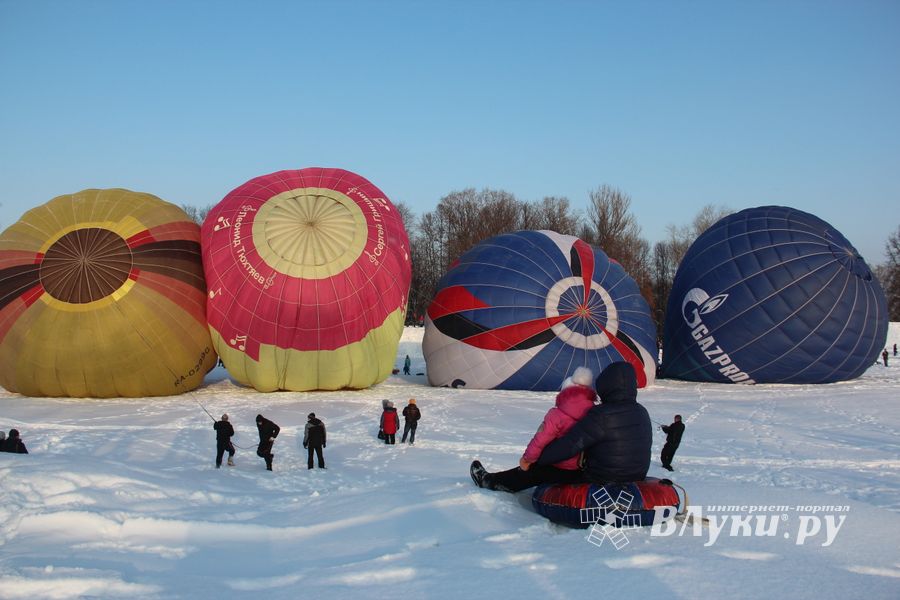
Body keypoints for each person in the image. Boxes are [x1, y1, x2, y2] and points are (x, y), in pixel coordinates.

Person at [470, 362, 651, 493]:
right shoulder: (642, 412)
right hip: (636, 476)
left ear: (606, 386)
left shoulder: (601, 414)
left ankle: (491, 481)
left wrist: (539, 460)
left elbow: (570, 445)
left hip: (601, 479)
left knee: (540, 472)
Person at [520, 366, 597, 471]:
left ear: (564, 394)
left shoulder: (557, 415)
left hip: (556, 465)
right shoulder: (596, 414)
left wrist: (528, 459)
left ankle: (495, 480)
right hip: (583, 467)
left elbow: (541, 439)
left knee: (525, 472)